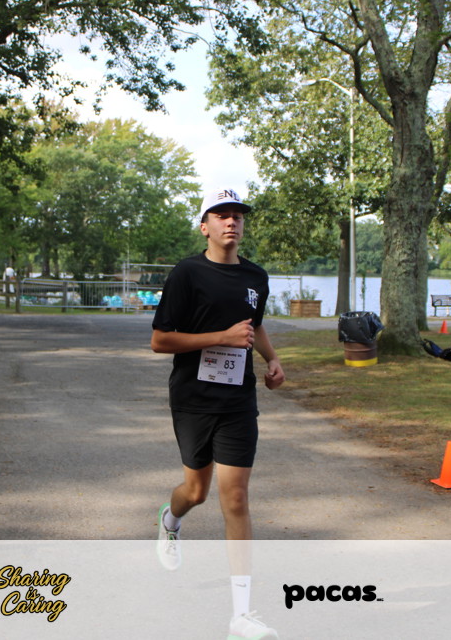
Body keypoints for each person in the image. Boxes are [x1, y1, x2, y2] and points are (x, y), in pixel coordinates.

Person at [151, 188, 285, 640]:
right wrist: (220, 338)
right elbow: (160, 340)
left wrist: (272, 359)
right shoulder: (187, 273)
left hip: (237, 400)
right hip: (193, 398)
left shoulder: (255, 276)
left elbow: (255, 324)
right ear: (204, 226)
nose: (231, 222)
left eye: (237, 216)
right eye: (221, 215)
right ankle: (170, 521)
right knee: (197, 491)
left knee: (237, 498)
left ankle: (241, 616)